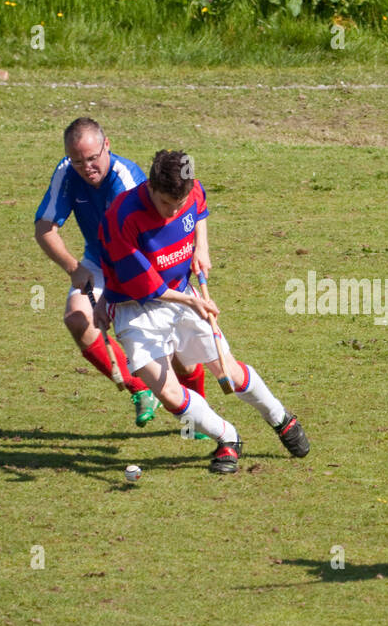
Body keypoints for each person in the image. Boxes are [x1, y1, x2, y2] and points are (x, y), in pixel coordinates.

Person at [95, 150, 311, 474]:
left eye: (179, 204)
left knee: (231, 373)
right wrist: (193, 302)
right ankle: (228, 438)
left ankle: (280, 417)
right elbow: (146, 286)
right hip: (136, 307)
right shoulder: (122, 217)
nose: (174, 211)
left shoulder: (189, 188)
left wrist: (201, 246)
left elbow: (200, 207)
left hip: (181, 290)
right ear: (150, 187)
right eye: (167, 204)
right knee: (168, 393)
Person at [35, 118, 206, 427]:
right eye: (77, 161)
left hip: (147, 267)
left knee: (179, 353)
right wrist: (74, 268)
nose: (85, 167)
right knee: (77, 319)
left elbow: (130, 252)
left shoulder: (125, 179)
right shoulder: (66, 172)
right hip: (101, 262)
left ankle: (199, 420)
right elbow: (44, 228)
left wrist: (109, 301)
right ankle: (139, 389)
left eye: (91, 158)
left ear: (107, 146)